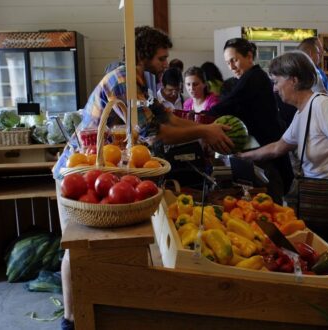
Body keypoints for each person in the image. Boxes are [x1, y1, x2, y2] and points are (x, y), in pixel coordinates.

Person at [54, 26, 233, 330]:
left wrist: (206, 127)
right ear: (143, 55)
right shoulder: (124, 80)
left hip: (102, 170)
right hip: (78, 171)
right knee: (78, 247)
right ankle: (71, 320)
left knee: (95, 248)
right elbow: (156, 133)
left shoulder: (143, 82)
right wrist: (204, 132)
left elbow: (165, 117)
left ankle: (99, 309)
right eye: (162, 57)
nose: (166, 63)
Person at [239, 51, 328, 248]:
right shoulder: (302, 112)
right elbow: (278, 147)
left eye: (277, 81)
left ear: (293, 80)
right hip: (316, 195)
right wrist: (243, 156)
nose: (274, 88)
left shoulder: (324, 106)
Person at [209, 38, 293, 204]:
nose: (231, 66)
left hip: (268, 158)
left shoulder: (255, 77)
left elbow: (229, 104)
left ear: (249, 56)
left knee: (270, 205)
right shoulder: (249, 78)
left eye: (234, 60)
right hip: (261, 154)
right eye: (228, 63)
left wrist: (203, 118)